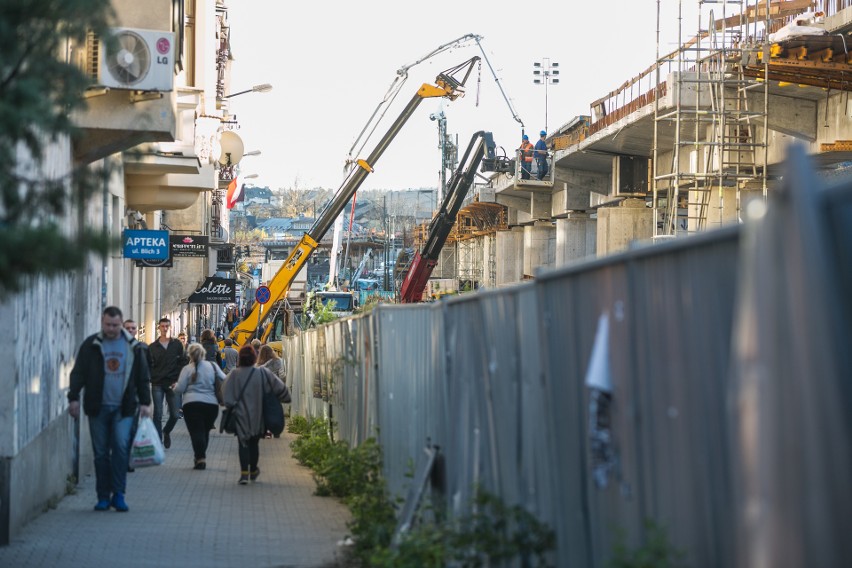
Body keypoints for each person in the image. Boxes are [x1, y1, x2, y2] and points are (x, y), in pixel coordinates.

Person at [67, 306, 152, 512]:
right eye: (108, 325)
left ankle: (119, 494)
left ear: (121, 324)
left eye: (115, 325)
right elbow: (78, 373)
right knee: (101, 453)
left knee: (121, 448)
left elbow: (142, 376)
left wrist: (145, 402)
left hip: (124, 408)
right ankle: (103, 496)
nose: (111, 329)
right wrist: (73, 398)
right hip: (98, 407)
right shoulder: (92, 345)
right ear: (102, 323)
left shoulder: (133, 346)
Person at [222, 345, 290, 485]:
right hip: (259, 416)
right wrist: (285, 398)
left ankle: (244, 474)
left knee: (243, 443)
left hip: (240, 416)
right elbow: (280, 388)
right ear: (254, 357)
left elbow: (225, 395)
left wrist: (231, 405)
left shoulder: (234, 374)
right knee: (254, 443)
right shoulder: (263, 373)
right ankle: (253, 470)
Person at [174, 343, 226, 470]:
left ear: (190, 355)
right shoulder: (212, 366)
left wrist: (174, 387)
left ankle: (200, 457)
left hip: (191, 405)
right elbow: (224, 378)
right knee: (205, 431)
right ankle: (200, 457)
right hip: (211, 405)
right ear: (203, 353)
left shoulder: (186, 369)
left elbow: (179, 389)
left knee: (196, 432)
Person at [148, 317, 185, 449]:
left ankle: (166, 431)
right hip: (157, 383)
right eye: (162, 326)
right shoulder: (153, 347)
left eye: (167, 326)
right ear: (159, 328)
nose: (165, 329)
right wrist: (151, 377)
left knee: (175, 414)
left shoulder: (177, 345)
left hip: (172, 383)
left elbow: (183, 362)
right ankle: (158, 441)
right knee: (157, 413)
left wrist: (179, 380)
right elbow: (149, 365)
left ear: (170, 327)